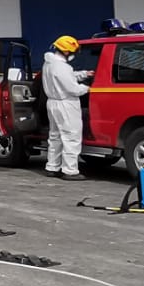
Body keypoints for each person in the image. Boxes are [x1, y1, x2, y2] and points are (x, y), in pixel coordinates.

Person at [41, 35, 93, 181]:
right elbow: (73, 88)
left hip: (52, 103)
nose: (74, 55)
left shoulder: (49, 64)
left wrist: (83, 74)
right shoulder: (62, 67)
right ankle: (70, 171)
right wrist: (87, 88)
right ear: (66, 52)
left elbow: (65, 77)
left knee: (55, 136)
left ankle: (52, 167)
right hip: (66, 104)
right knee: (71, 137)